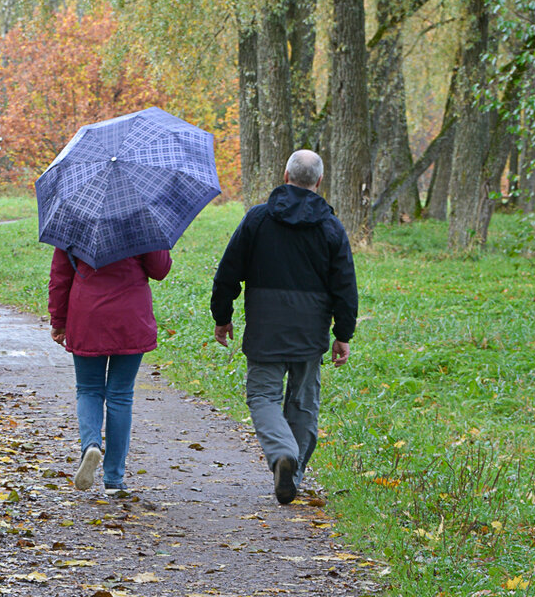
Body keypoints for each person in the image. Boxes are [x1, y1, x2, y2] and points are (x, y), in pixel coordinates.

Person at [209, 149, 358, 505]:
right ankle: (294, 471)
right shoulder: (329, 226)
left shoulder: (258, 219)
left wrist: (222, 316)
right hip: (311, 329)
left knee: (262, 396)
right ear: (319, 182)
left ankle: (281, 456)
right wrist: (343, 334)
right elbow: (345, 285)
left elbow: (228, 271)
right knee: (303, 403)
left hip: (266, 325)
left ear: (285, 175)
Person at [49, 247, 172, 495]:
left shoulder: (75, 219)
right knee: (121, 395)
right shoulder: (142, 220)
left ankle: (91, 445)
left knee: (88, 390)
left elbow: (60, 276)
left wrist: (58, 320)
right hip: (131, 317)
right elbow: (160, 270)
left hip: (87, 314)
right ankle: (114, 479)